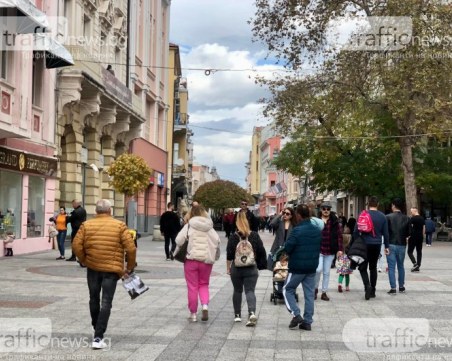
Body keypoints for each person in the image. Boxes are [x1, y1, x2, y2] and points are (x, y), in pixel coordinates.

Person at [73, 199, 136, 350]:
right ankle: (98, 336)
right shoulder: (119, 225)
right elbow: (131, 248)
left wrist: (84, 260)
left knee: (93, 298)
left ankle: (96, 328)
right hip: (111, 270)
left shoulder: (86, 225)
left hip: (93, 268)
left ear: (96, 211)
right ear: (110, 211)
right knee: (106, 302)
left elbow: (76, 244)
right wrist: (130, 267)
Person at [175, 205, 221, 322]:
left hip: (191, 260)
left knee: (192, 287)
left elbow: (178, 240)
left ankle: (193, 313)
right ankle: (205, 306)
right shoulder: (210, 227)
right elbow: (217, 242)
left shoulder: (189, 226)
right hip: (206, 261)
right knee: (204, 284)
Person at [282, 204, 322, 331]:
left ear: (298, 215)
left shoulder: (297, 230)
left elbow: (288, 248)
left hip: (297, 267)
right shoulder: (316, 229)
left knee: (287, 289)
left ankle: (296, 314)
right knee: (309, 294)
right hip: (311, 267)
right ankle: (307, 322)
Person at [226, 211, 267, 326]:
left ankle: (237, 315)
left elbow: (229, 254)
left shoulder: (233, 237)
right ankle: (251, 313)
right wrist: (259, 264)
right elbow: (261, 250)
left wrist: (228, 268)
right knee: (250, 290)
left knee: (237, 290)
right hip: (251, 267)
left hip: (237, 268)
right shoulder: (254, 235)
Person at [353, 196, 389, 300]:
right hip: (376, 244)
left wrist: (357, 241)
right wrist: (386, 246)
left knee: (362, 267)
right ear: (377, 204)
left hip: (364, 244)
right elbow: (386, 233)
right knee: (373, 268)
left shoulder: (363, 214)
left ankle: (367, 286)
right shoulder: (383, 217)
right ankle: (373, 290)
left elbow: (356, 231)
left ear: (368, 204)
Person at [315, 202, 343, 301]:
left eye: (328, 209)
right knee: (318, 270)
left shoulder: (335, 221)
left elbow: (339, 236)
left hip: (330, 250)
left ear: (330, 210)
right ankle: (315, 289)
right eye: (324, 209)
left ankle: (324, 292)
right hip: (319, 249)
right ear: (321, 210)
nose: (326, 210)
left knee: (326, 272)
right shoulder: (316, 221)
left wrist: (340, 249)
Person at [386, 198, 410, 295]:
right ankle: (401, 286)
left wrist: (385, 245)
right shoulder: (407, 218)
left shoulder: (387, 217)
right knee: (401, 266)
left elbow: (386, 232)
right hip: (402, 244)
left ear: (394, 205)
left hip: (391, 243)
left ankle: (393, 288)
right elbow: (409, 233)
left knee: (391, 267)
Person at [408, 207, 425, 272]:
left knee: (409, 251)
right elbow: (424, 228)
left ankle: (415, 263)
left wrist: (408, 236)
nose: (411, 213)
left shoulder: (412, 219)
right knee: (419, 251)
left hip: (413, 237)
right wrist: (422, 236)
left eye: (411, 212)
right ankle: (418, 265)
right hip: (420, 237)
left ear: (415, 211)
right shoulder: (422, 218)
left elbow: (410, 228)